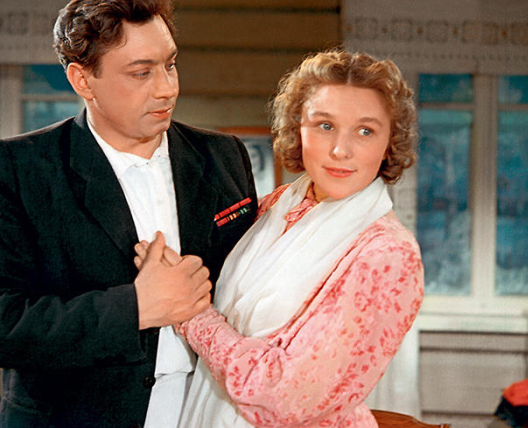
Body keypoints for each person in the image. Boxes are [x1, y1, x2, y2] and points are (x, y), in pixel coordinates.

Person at [0, 0, 257, 428]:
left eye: (170, 64)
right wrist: (135, 308)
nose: (167, 88)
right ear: (83, 79)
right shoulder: (18, 167)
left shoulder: (224, 156)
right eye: (141, 72)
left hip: (210, 414)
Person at [135, 50, 425, 427]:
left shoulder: (388, 254)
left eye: (365, 131)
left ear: (390, 142)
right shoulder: (277, 205)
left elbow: (286, 398)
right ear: (297, 128)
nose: (341, 150)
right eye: (324, 125)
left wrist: (191, 312)